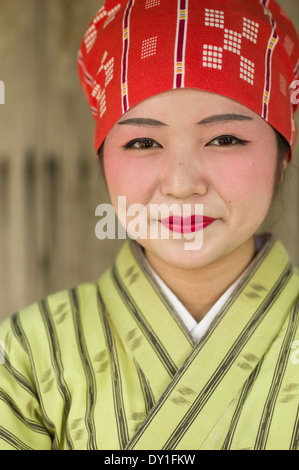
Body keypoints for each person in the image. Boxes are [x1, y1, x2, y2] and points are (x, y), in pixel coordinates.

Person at [0, 0, 299, 451]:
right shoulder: (26, 350)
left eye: (224, 138)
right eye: (143, 141)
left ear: (281, 157)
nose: (181, 184)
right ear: (103, 161)